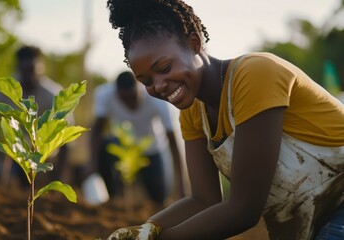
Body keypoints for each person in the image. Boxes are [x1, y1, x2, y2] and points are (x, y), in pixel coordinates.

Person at [104, 0, 344, 239]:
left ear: (194, 43)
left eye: (165, 68)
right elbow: (203, 200)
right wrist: (147, 228)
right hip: (318, 220)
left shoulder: (255, 76)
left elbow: (244, 209)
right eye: (146, 81)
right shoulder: (192, 113)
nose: (159, 86)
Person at [85, 70, 184, 205]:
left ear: (140, 91)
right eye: (124, 100)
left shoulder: (158, 99)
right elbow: (96, 131)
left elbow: (173, 141)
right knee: (105, 145)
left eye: (132, 98)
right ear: (117, 94)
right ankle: (113, 200)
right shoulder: (105, 94)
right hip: (124, 148)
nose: (129, 104)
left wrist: (181, 185)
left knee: (159, 198)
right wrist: (92, 164)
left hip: (152, 150)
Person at [0, 45, 71, 187]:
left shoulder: (52, 94)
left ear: (41, 68)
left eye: (32, 70)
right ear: (18, 68)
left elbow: (66, 134)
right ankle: (2, 189)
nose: (29, 75)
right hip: (14, 148)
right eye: (25, 70)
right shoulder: (9, 89)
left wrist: (58, 178)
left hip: (43, 152)